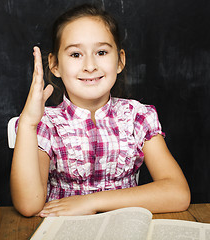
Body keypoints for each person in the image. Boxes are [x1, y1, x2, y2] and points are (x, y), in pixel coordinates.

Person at [10, 4, 190, 217]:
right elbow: (29, 205)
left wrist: (91, 202)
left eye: (101, 52)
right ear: (55, 64)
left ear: (120, 60)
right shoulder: (46, 123)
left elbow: (178, 193)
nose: (90, 66)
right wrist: (29, 123)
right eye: (76, 54)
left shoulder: (137, 117)